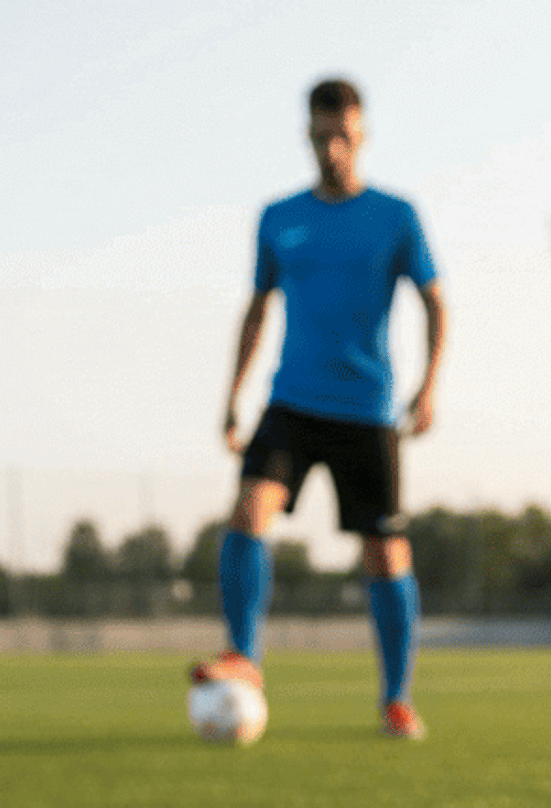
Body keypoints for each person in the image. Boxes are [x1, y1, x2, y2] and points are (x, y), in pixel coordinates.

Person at [195, 76, 447, 739]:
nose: (331, 147)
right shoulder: (280, 218)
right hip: (292, 402)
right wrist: (232, 397)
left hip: (367, 408)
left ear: (360, 136)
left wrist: (427, 387)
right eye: (321, 135)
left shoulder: (396, 215)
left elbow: (435, 300)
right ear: (307, 135)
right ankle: (245, 656)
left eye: (343, 136)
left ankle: (396, 699)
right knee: (250, 509)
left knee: (385, 555)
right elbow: (257, 308)